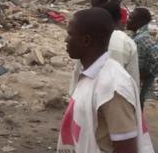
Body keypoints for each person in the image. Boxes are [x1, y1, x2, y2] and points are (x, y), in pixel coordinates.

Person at [58, 8, 154, 153]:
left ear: (86, 40)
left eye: (70, 34)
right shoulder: (91, 76)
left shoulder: (112, 88)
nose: (66, 40)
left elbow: (127, 148)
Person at [70, 3, 140, 94]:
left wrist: (73, 95)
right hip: (116, 97)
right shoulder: (128, 42)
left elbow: (78, 71)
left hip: (84, 95)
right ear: (120, 20)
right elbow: (133, 79)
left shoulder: (90, 38)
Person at [127, 7, 158, 110]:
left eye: (131, 18)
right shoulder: (137, 36)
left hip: (140, 83)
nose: (127, 20)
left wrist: (148, 73)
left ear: (140, 21)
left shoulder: (143, 39)